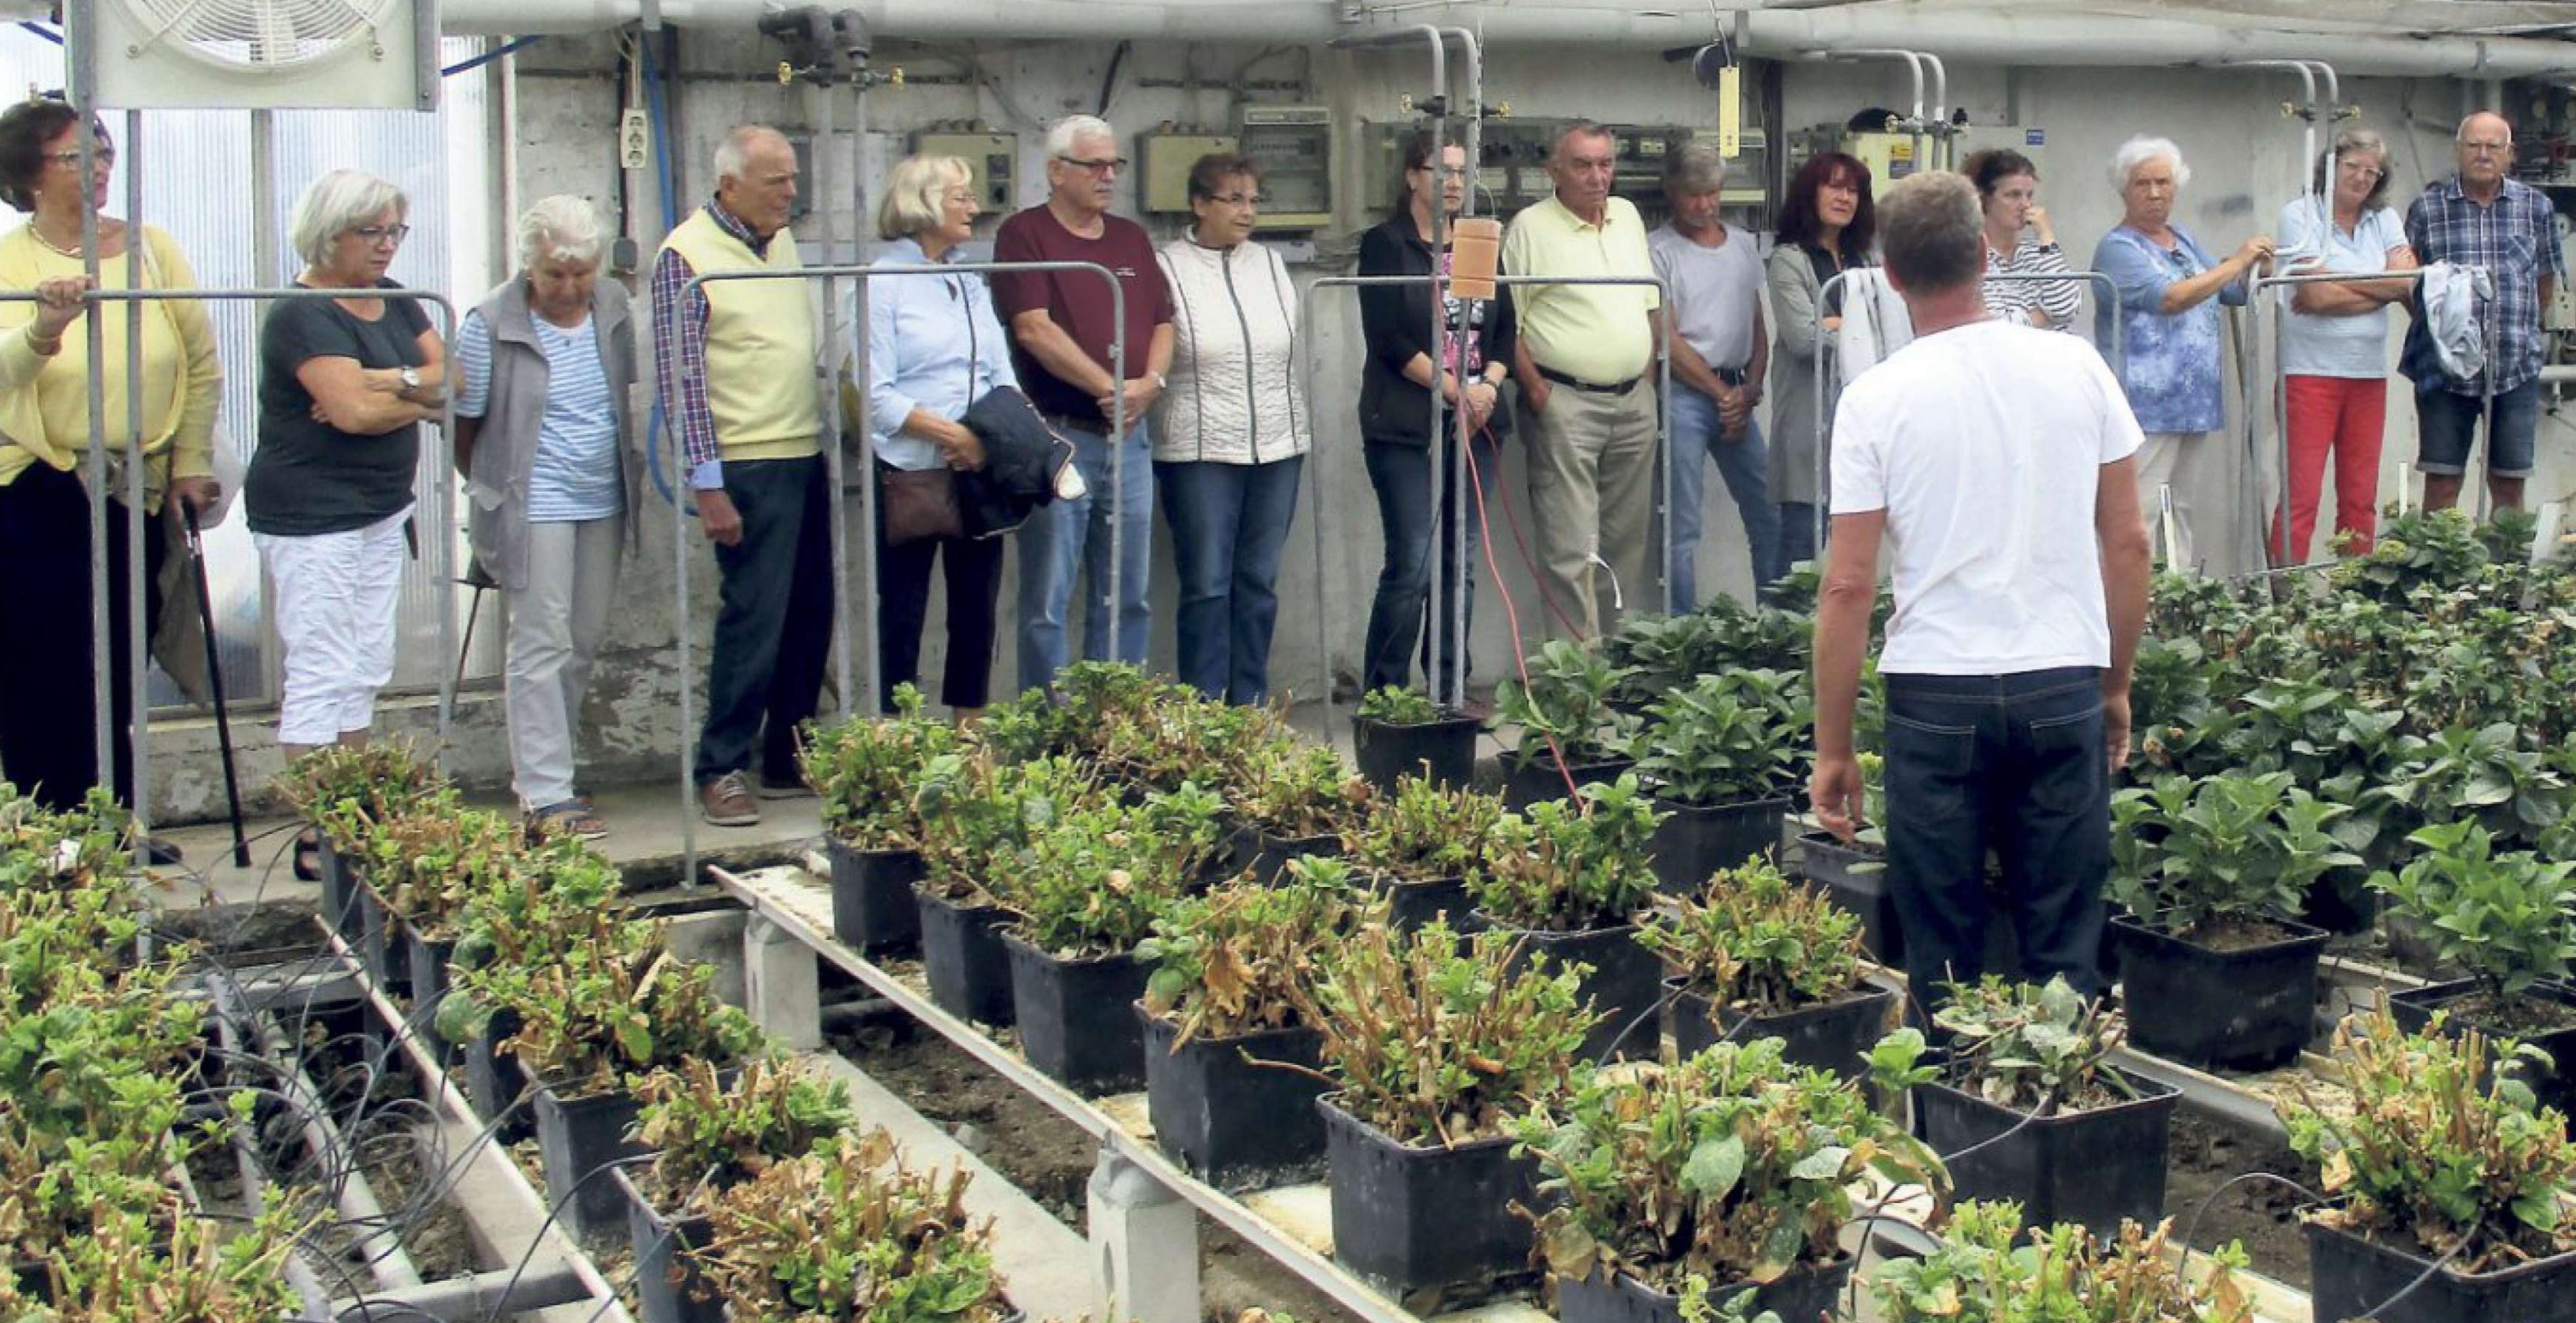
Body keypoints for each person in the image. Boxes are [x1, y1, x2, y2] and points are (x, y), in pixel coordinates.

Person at [1811, 171, 2153, 1008]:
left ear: (1890, 275)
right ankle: (2063, 1114)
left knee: (1945, 954)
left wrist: (1833, 748)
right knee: (2068, 951)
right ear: (1982, 255)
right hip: (2061, 677)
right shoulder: (2077, 365)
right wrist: (2115, 683)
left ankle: (1951, 1128)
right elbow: (2130, 541)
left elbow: (1850, 586)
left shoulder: (1874, 399)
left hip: (1935, 693)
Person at [0, 97, 220, 853]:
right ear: (31, 174)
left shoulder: (154, 250)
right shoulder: (10, 259)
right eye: (75, 157)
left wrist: (190, 461)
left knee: (118, 659)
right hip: (38, 482)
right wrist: (44, 327)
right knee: (39, 662)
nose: (96, 169)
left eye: (102, 154)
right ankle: (47, 835)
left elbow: (198, 364)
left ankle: (116, 822)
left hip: (134, 482)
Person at [248, 169, 443, 875]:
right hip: (312, 513)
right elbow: (354, 417)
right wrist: (407, 390)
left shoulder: (395, 302)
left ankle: (355, 810)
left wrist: (392, 384)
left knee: (365, 662)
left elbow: (448, 383)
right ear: (330, 234)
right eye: (372, 232)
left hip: (381, 508)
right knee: (321, 663)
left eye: (395, 230)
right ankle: (316, 831)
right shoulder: (302, 313)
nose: (387, 245)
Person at [653, 124, 831, 827]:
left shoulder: (779, 240)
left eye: (792, 178)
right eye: (775, 182)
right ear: (730, 185)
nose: (791, 193)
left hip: (802, 447)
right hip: (746, 460)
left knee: (809, 613)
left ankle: (788, 755)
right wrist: (707, 483)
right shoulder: (686, 254)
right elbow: (682, 381)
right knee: (754, 618)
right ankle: (721, 765)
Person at [452, 195, 640, 840]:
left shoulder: (613, 308)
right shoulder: (488, 322)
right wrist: (495, 493)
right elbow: (465, 424)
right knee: (541, 641)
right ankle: (544, 793)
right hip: (533, 501)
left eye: (582, 271)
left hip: (602, 496)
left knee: (581, 641)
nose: (570, 286)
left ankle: (552, 774)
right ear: (528, 264)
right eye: (555, 273)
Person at [993, 115, 1173, 690]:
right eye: (1094, 165)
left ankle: (1116, 723)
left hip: (1130, 436)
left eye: (1114, 165)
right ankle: (1048, 733)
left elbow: (1163, 320)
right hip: (1059, 438)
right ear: (1055, 170)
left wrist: (1150, 384)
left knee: (1127, 592)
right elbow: (1033, 329)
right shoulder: (1025, 235)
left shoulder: (1129, 238)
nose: (1108, 176)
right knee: (1049, 595)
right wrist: (1109, 388)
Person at [1356, 130, 1516, 703]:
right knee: (1414, 565)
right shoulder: (1385, 243)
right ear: (1410, 177)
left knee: (1460, 565)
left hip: (1477, 421)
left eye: (1462, 172)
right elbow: (1388, 337)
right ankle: (1386, 694)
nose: (1453, 182)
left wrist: (1488, 387)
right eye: (1440, 170)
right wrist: (1455, 391)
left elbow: (1506, 329)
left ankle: (1448, 687)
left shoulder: (1478, 240)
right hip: (1405, 426)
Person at [857, 154, 1017, 723]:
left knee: (976, 607)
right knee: (902, 609)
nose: (974, 207)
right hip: (910, 470)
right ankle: (897, 739)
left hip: (976, 467)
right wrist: (950, 432)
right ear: (923, 205)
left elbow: (1001, 372)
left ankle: (969, 738)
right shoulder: (884, 282)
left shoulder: (966, 277)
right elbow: (875, 394)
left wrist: (983, 438)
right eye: (961, 196)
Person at [1153, 153, 1306, 705]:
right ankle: (1203, 709)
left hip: (1278, 444)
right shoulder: (1167, 265)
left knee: (1259, 584)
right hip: (1199, 449)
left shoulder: (1268, 262)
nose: (1247, 212)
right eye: (1233, 199)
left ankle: (1250, 706)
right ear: (1198, 204)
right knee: (1207, 586)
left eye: (1254, 200)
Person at [1502, 121, 1661, 640]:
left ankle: (1615, 673)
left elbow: (1650, 302)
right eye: (1583, 165)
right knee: (1571, 551)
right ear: (1554, 171)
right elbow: (1510, 324)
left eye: (1605, 164)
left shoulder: (1629, 216)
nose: (1597, 176)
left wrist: (1648, 376)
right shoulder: (1529, 227)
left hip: (1634, 401)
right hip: (1565, 402)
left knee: (1624, 547)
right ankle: (1573, 688)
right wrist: (1538, 392)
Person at [2092, 135, 2272, 573]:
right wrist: (2235, 261)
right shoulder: (2118, 248)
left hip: (2193, 401)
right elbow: (2169, 298)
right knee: (2141, 509)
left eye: (2163, 183)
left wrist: (2256, 268)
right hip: (2144, 404)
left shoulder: (2184, 239)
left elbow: (2227, 291)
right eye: (2143, 184)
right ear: (2124, 190)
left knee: (2180, 510)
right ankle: (2131, 606)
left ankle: (2179, 602)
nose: (2155, 194)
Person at [2403, 111, 2565, 516]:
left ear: (2510, 154)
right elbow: (2407, 283)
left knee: (2509, 486)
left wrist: (2517, 329)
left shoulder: (2537, 208)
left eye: (2494, 146)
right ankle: (2437, 577)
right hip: (2445, 371)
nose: (2483, 154)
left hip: (2514, 368)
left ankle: (2505, 576)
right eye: (2474, 145)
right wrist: (2442, 333)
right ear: (2458, 151)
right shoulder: (2427, 208)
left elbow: (2545, 285)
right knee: (2441, 483)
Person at [2272, 129, 2416, 561]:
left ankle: (2353, 596)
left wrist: (2340, 283)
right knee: (2301, 495)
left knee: (2360, 496)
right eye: (2352, 166)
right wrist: (2382, 289)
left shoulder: (2385, 219)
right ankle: (2285, 596)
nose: (2361, 177)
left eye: (2371, 171)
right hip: (2309, 373)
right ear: (2330, 168)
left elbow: (2406, 284)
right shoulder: (2299, 215)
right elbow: (2315, 297)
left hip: (2368, 375)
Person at [1648, 141, 1778, 606]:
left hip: (1739, 392)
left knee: (1768, 513)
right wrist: (1723, 394)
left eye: (1713, 193)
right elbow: (1664, 335)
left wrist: (1750, 389)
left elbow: (1757, 323)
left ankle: (1773, 625)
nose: (1705, 205)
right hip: (1685, 396)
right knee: (1681, 526)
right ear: (1673, 192)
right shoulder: (1658, 250)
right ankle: (1682, 637)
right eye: (1693, 195)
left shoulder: (1743, 245)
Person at [1766, 151, 1876, 576]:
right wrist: (1855, 329)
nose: (1844, 197)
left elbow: (1886, 328)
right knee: (1800, 543)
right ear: (1809, 193)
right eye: (1834, 186)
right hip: (1806, 420)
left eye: (1853, 190)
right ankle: (1782, 638)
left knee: (1844, 543)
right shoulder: (1788, 259)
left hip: (1854, 418)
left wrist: (1836, 322)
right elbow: (1803, 338)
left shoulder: (1862, 261)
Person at [1964, 148, 2081, 332]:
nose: (2025, 204)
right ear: (1984, 199)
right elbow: (1996, 329)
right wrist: (2045, 316)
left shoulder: (2039, 252)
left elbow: (2067, 308)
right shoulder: (1971, 258)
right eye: (2013, 195)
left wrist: (2046, 236)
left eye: (2029, 195)